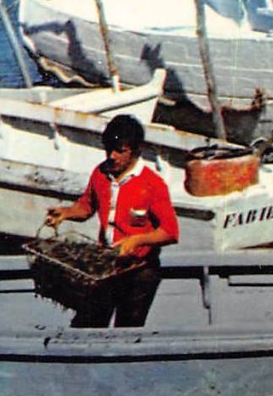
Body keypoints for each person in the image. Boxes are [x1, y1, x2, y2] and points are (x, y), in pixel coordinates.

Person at [44, 114, 178, 328]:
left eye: (120, 151)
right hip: (106, 265)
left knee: (127, 328)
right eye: (108, 149)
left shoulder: (152, 184)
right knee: (87, 323)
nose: (112, 156)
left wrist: (135, 241)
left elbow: (170, 232)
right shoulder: (100, 173)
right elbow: (86, 207)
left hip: (140, 270)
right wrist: (66, 213)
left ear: (135, 151)